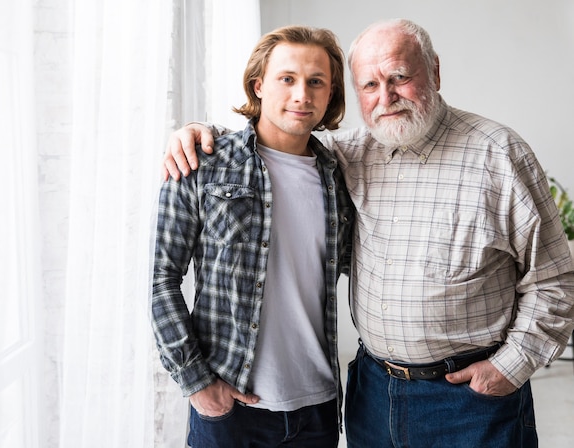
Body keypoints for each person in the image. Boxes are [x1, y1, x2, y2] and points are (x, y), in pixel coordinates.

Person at [161, 18, 574, 448]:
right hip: (374, 396)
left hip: (468, 403)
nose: (387, 96)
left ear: (434, 71)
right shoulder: (352, 156)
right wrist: (199, 134)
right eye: (370, 85)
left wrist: (510, 366)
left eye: (400, 76)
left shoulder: (499, 154)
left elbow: (555, 278)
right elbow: (276, 144)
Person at [151, 25, 354, 448]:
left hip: (317, 409)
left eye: (316, 82)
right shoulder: (202, 164)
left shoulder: (341, 176)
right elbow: (162, 280)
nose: (302, 94)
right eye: (287, 79)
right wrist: (194, 381)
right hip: (230, 410)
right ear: (258, 85)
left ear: (330, 93)